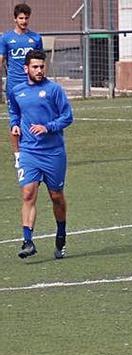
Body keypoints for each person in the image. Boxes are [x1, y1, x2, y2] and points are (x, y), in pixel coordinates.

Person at [9, 50, 72, 259]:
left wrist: (48, 127)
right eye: (35, 67)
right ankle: (27, 241)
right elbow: (15, 112)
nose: (39, 70)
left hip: (53, 153)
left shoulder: (54, 90)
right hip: (29, 151)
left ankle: (61, 235)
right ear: (25, 68)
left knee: (56, 197)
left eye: (42, 66)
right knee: (28, 193)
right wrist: (14, 125)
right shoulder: (17, 91)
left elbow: (67, 116)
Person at [2, 3, 43, 169]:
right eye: (21, 18)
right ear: (15, 19)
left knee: (35, 116)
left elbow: (40, 61)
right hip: (14, 85)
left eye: (26, 18)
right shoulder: (6, 39)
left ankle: (35, 151)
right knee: (15, 119)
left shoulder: (35, 38)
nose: (24, 21)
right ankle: (18, 155)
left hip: (32, 85)